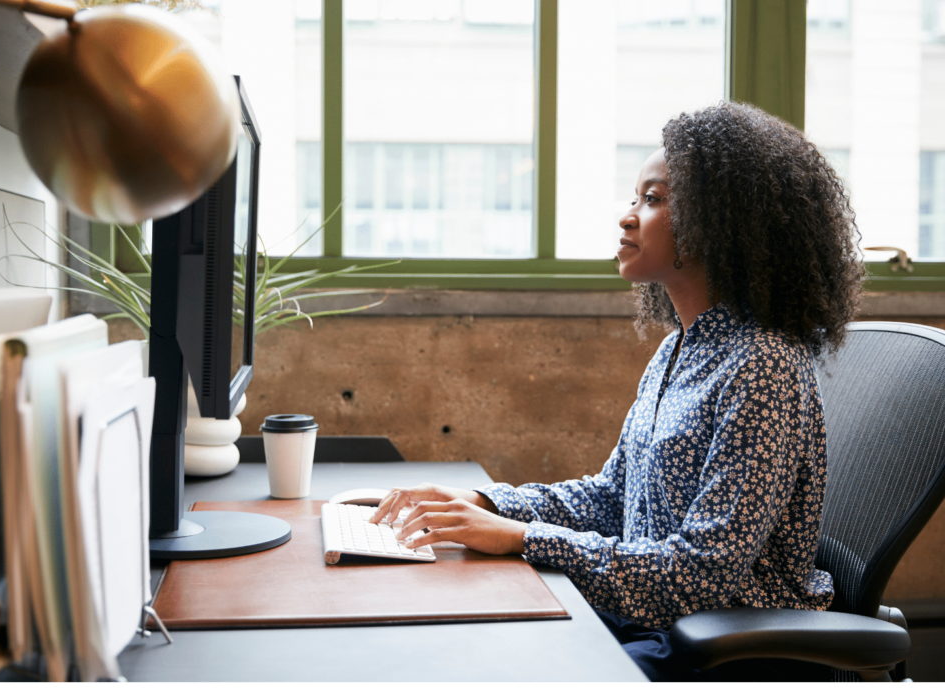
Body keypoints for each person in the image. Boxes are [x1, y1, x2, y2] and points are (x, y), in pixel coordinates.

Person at [369, 102, 865, 682]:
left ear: (723, 224)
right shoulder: (677, 350)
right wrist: (486, 504)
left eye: (653, 200)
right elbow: (611, 498)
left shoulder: (763, 365)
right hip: (652, 619)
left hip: (724, 644)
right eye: (635, 198)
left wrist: (523, 539)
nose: (628, 217)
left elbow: (703, 574)